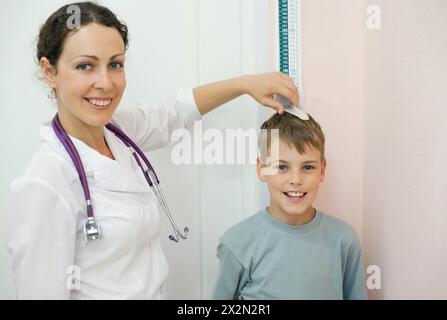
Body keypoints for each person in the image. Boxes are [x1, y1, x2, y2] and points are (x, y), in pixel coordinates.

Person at [5, 2, 300, 299]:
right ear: (49, 71)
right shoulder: (44, 183)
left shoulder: (118, 130)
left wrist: (245, 84)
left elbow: (174, 110)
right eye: (85, 66)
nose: (106, 83)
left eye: (115, 64)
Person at [212, 112, 368, 300]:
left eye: (308, 167)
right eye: (282, 167)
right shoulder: (237, 242)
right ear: (262, 169)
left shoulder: (344, 240)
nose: (296, 180)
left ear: (322, 170)